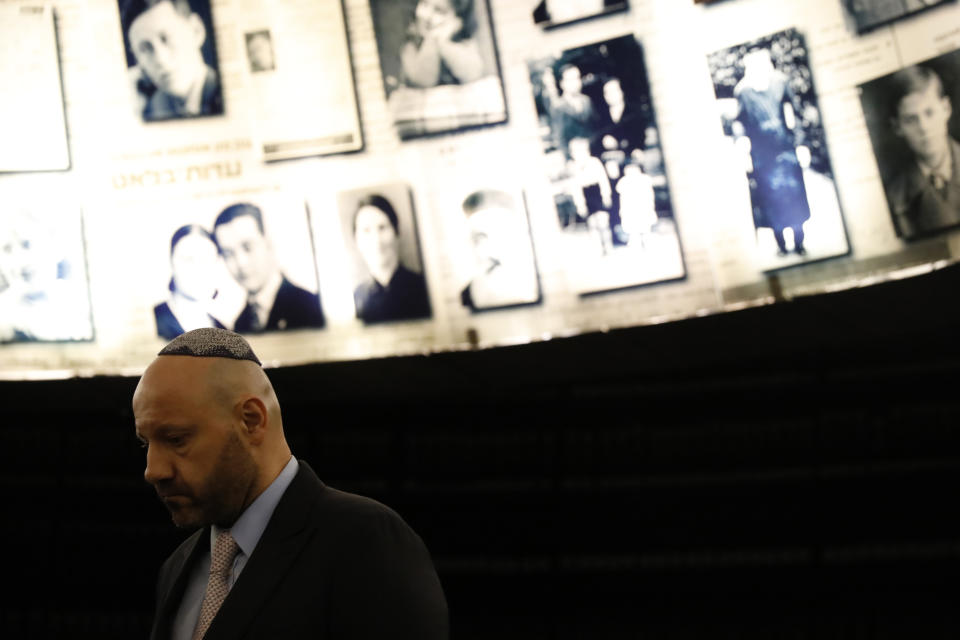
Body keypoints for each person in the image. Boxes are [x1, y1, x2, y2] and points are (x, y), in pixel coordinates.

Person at [133, 328, 448, 640]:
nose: (152, 470)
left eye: (176, 439)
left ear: (252, 420)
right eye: (146, 444)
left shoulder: (365, 540)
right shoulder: (177, 565)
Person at [732, 48, 812, 257]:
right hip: (762, 156)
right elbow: (739, 121)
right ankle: (782, 246)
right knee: (771, 199)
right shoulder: (743, 91)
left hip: (786, 150)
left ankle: (799, 243)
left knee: (794, 197)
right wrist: (742, 143)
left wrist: (801, 144)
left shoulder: (780, 82)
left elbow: (794, 113)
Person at [213, 203, 325, 333]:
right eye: (228, 254)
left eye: (248, 247)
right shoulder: (241, 323)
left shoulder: (310, 306)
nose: (241, 263)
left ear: (269, 243)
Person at [882, 64, 960, 239]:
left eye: (929, 113)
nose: (923, 128)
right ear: (897, 127)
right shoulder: (895, 198)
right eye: (911, 119)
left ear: (946, 109)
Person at [120, 0, 223, 121]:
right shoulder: (147, 111)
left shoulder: (222, 95)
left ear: (196, 31)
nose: (161, 59)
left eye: (166, 38)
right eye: (144, 49)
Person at [351, 195, 432, 324]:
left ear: (396, 232)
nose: (376, 241)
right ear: (357, 240)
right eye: (366, 230)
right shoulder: (356, 297)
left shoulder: (424, 288)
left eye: (382, 228)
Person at [459, 190, 540, 310]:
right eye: (479, 237)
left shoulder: (528, 282)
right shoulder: (471, 292)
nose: (489, 247)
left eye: (501, 233)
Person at [154, 225, 226, 341]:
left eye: (205, 260)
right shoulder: (154, 320)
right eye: (187, 259)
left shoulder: (223, 331)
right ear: (171, 263)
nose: (197, 269)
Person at [400, 0, 486, 88]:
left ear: (457, 19)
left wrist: (443, 42)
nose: (427, 15)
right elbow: (424, 81)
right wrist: (432, 39)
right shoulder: (412, 43)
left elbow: (472, 75)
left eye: (439, 11)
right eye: (424, 4)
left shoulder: (462, 43)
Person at [553, 64, 599, 149]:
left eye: (577, 78)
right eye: (570, 80)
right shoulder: (559, 107)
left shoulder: (587, 101)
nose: (575, 83)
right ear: (562, 83)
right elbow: (560, 139)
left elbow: (595, 127)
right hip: (575, 156)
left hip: (593, 151)